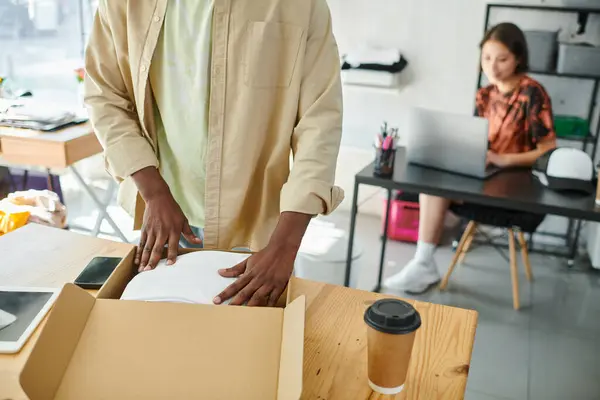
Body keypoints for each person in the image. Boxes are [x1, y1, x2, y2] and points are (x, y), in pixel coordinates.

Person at [84, 0, 344, 307]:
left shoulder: (302, 5)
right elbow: (104, 96)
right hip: (164, 220)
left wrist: (285, 245)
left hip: (258, 232)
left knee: (249, 345)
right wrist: (153, 192)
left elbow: (319, 123)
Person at [384, 22, 557, 294]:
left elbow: (549, 149)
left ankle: (423, 261)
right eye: (487, 58)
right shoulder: (485, 94)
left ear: (518, 58)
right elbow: (478, 139)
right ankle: (423, 262)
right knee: (433, 185)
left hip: (518, 186)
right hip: (485, 174)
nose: (492, 66)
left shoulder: (531, 93)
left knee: (436, 192)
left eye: (502, 59)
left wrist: (503, 159)